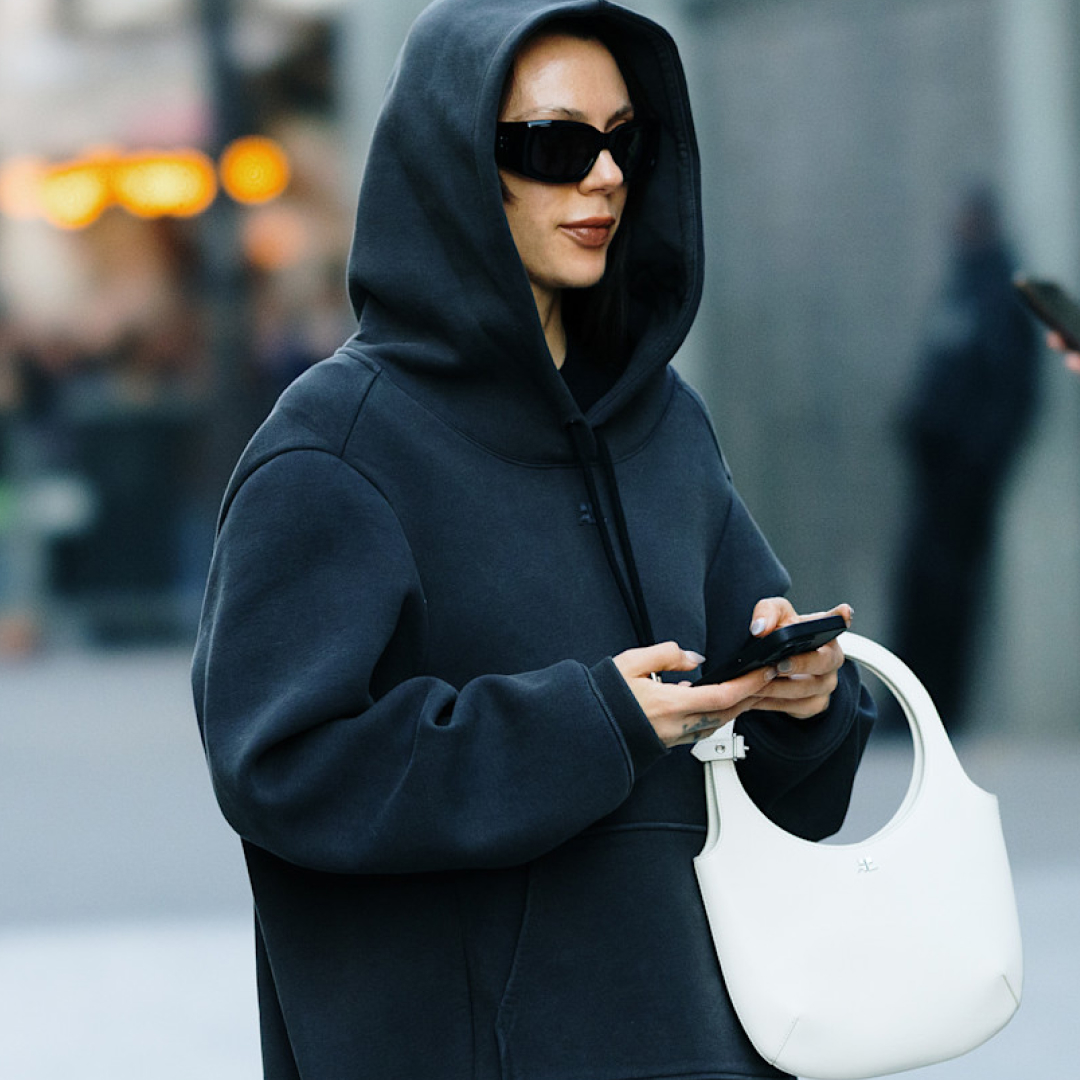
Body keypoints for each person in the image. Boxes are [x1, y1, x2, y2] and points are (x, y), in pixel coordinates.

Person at [191, 2, 876, 1078]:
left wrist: (800, 703)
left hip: (706, 1042)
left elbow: (781, 784)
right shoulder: (336, 446)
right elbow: (283, 769)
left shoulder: (663, 424)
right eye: (556, 146)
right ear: (460, 168)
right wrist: (589, 722)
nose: (603, 177)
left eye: (624, 140)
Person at [889, 187, 1039, 730]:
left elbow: (1013, 394)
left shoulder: (1003, 293)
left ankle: (939, 710)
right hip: (934, 478)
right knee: (918, 591)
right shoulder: (961, 287)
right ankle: (909, 706)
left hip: (964, 486)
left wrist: (977, 464)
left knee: (952, 599)